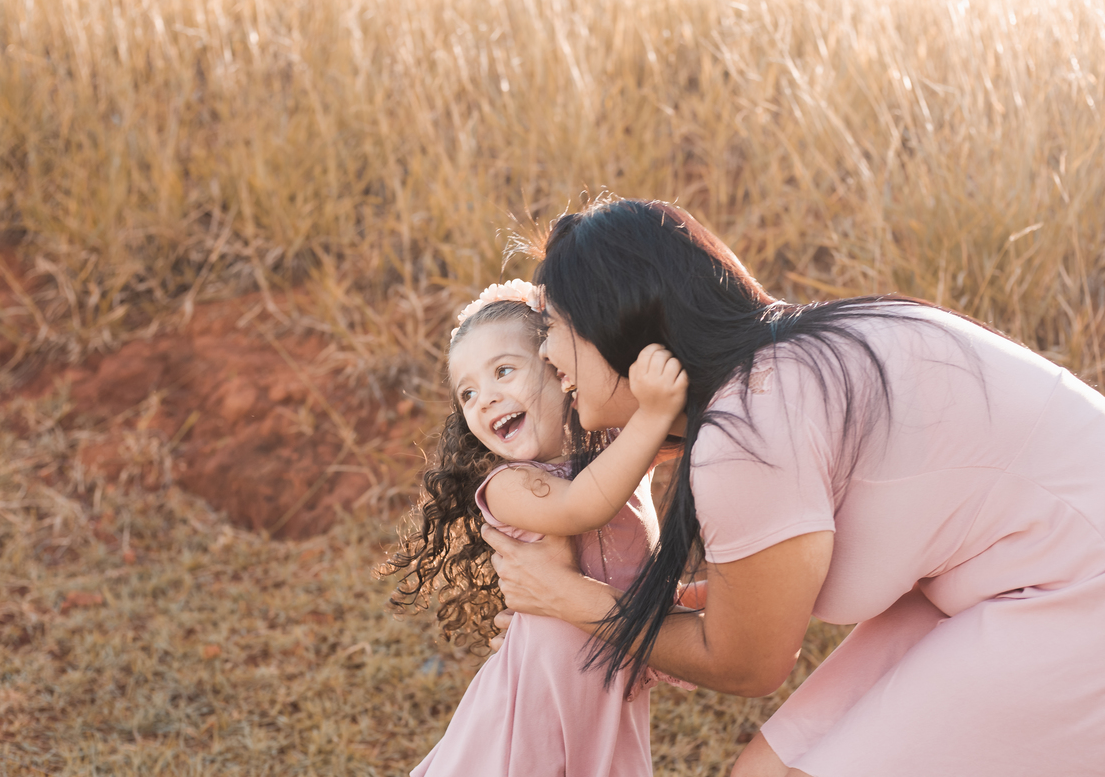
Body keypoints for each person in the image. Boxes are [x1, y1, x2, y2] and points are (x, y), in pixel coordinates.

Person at [483, 198, 1105, 777]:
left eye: (556, 325)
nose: (547, 351)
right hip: (1016, 571)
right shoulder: (783, 369)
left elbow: (747, 662)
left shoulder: (750, 427)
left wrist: (569, 598)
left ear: (616, 319)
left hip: (1078, 591)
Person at [381, 279, 692, 777]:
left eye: (504, 371)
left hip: (608, 674)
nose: (485, 399)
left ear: (561, 371)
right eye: (468, 394)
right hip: (541, 695)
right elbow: (582, 508)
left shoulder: (616, 451)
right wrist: (651, 413)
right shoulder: (509, 485)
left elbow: (688, 427)